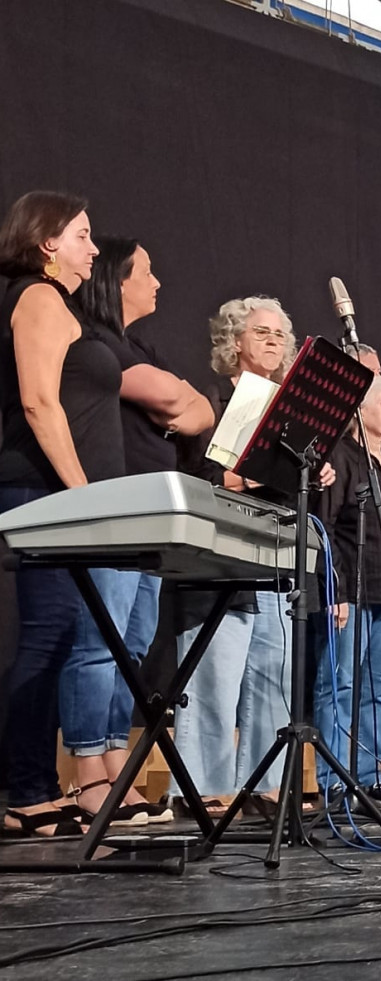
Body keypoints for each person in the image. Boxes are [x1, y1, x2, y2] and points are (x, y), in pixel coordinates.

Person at [59, 237, 213, 825]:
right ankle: (87, 774)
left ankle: (116, 763)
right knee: (99, 644)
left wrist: (182, 406)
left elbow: (199, 410)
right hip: (114, 504)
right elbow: (177, 399)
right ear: (118, 281)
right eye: (146, 273)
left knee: (135, 644)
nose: (157, 283)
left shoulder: (137, 345)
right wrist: (177, 406)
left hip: (154, 513)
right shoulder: (94, 342)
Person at [168, 296, 331, 814]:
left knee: (273, 676)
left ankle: (261, 787)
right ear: (233, 341)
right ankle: (201, 790)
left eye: (280, 334)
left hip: (276, 551)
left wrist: (315, 473)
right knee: (214, 677)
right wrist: (238, 477)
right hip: (218, 554)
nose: (273, 341)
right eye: (260, 332)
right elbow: (188, 478)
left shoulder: (288, 413)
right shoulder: (211, 401)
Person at [0, 191, 122, 837]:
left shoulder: (56, 301)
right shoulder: (38, 298)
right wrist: (82, 496)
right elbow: (40, 403)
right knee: (48, 636)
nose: (93, 249)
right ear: (47, 241)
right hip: (45, 494)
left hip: (58, 494)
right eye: (82, 234)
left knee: (62, 636)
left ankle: (34, 786)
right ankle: (26, 790)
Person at [314, 375, 381, 810]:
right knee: (339, 686)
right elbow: (324, 527)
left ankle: (368, 776)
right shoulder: (341, 458)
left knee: (380, 690)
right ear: (359, 410)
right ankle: (335, 782)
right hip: (351, 594)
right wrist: (334, 590)